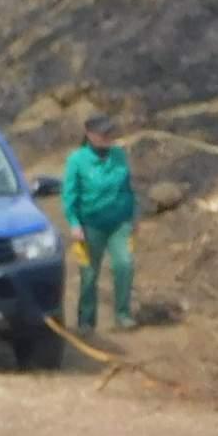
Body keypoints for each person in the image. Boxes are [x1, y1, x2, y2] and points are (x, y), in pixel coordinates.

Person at [59, 114, 138, 332]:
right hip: (90, 224)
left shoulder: (119, 156)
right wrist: (74, 223)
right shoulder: (77, 160)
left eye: (110, 133)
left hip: (119, 222)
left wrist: (133, 217)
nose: (108, 137)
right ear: (90, 135)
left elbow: (128, 190)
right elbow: (69, 195)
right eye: (103, 134)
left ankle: (122, 314)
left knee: (125, 264)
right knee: (89, 273)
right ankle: (86, 320)